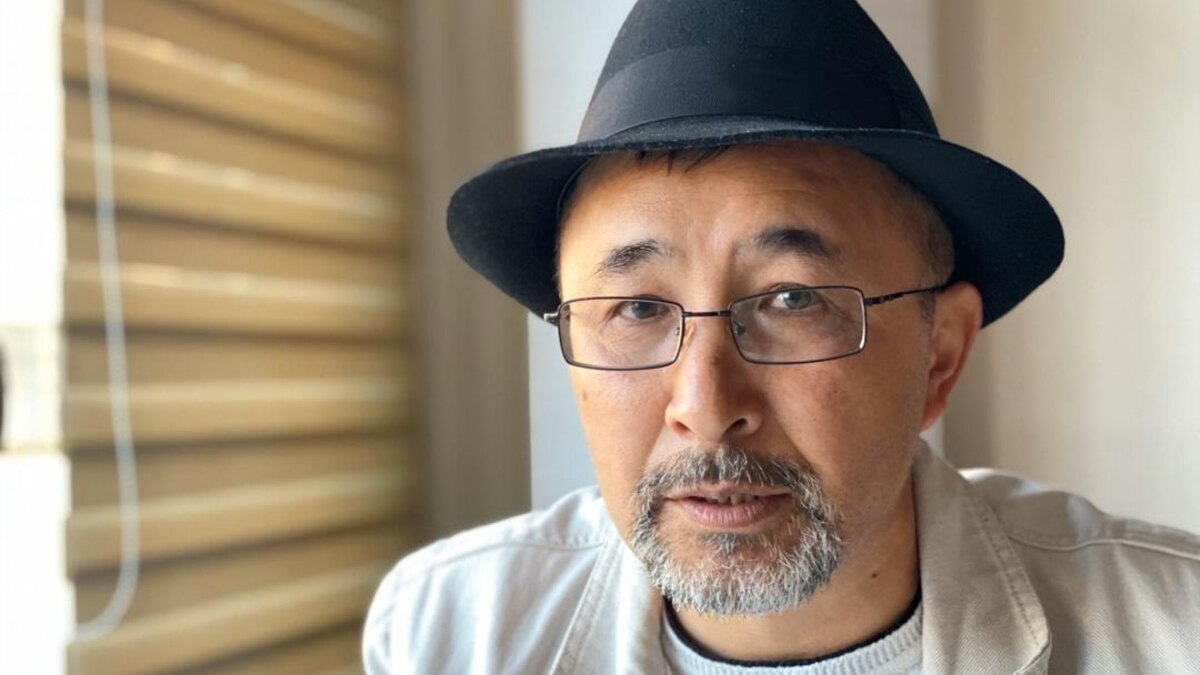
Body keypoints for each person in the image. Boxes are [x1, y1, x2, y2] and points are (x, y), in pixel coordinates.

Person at [364, 1, 1200, 673]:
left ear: (940, 354)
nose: (704, 405)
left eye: (792, 299)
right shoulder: (448, 633)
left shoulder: (1170, 634)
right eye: (639, 308)